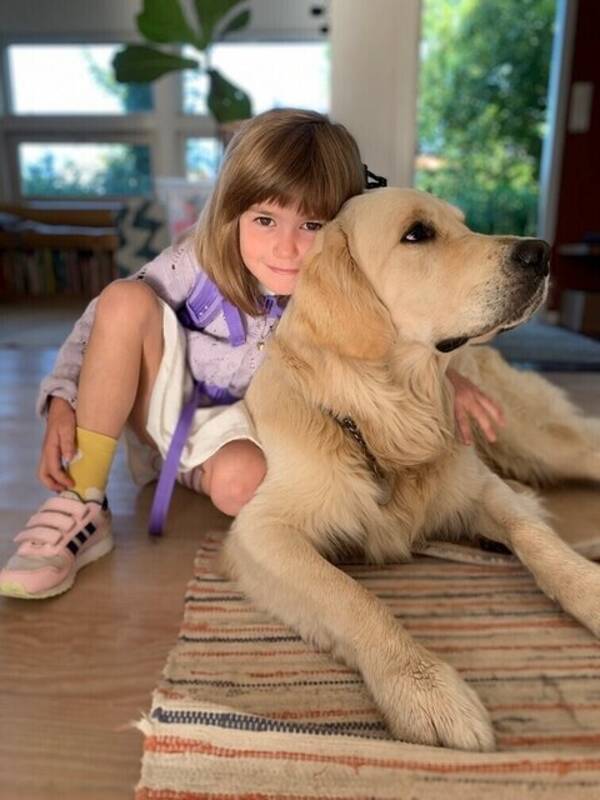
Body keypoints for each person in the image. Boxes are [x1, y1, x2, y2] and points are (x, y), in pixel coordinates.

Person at [0, 108, 504, 600]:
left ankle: (184, 470)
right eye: (265, 219)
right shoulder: (193, 262)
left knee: (243, 486)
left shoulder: (337, 283)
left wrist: (450, 379)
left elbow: (403, 327)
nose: (285, 248)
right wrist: (64, 393)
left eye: (310, 226)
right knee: (125, 300)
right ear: (232, 214)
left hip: (238, 427)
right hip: (160, 401)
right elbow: (100, 323)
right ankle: (82, 499)